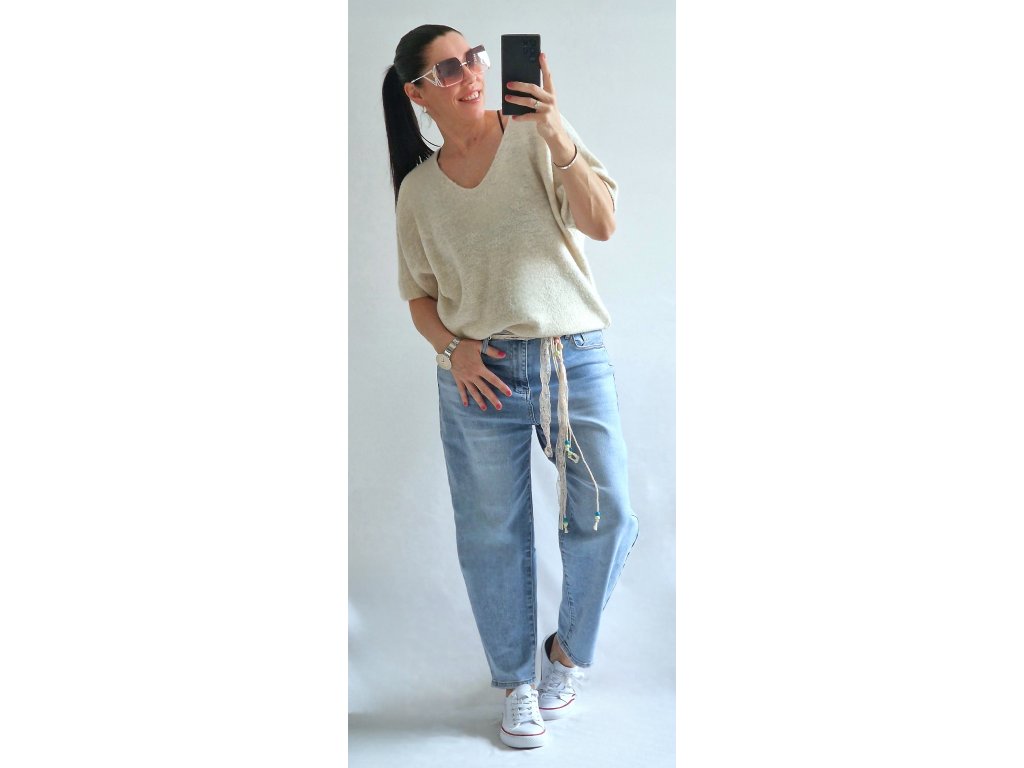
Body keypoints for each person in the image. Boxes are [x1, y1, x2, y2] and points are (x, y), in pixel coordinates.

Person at [381, 24, 639, 750]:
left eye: (474, 58)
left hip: (569, 360)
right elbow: (419, 296)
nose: (470, 74)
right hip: (478, 379)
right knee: (491, 535)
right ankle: (517, 683)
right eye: (448, 68)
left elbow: (603, 222)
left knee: (610, 513)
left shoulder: (535, 138)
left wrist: (555, 129)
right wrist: (452, 349)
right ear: (417, 93)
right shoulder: (419, 192)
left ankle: (566, 655)